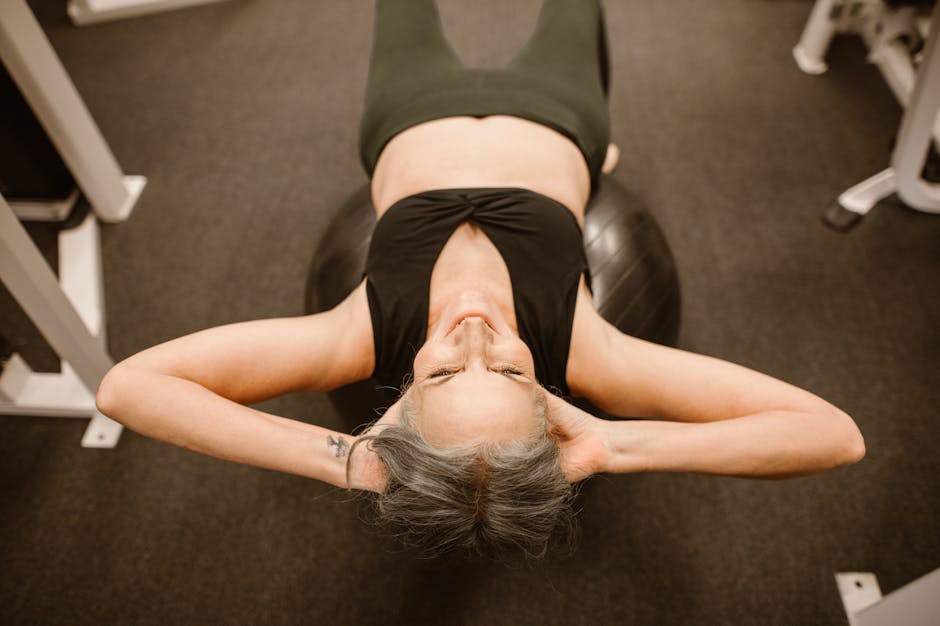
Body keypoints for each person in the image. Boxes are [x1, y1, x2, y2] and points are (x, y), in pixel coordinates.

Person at [95, 0, 865, 559]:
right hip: (556, 117)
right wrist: (613, 447)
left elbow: (129, 387)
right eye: (507, 369)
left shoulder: (355, 333)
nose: (472, 334)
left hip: (410, 115)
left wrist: (347, 460)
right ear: (550, 398)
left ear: (394, 404)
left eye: (438, 373)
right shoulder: (592, 351)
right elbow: (835, 435)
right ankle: (597, 164)